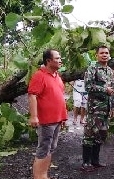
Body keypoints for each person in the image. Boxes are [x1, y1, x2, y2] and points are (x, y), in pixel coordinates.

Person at [28, 49, 68, 179]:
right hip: (46, 120)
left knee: (51, 148)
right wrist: (34, 116)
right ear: (48, 60)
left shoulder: (57, 76)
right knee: (44, 148)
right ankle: (39, 176)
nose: (60, 60)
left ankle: (44, 174)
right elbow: (32, 95)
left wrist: (63, 116)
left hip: (56, 120)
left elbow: (59, 97)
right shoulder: (40, 75)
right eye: (57, 58)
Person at [81, 45, 114, 171]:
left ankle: (95, 161)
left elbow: (112, 91)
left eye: (106, 53)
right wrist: (103, 89)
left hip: (105, 109)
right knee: (90, 134)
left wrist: (113, 106)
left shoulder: (111, 71)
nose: (104, 55)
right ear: (97, 55)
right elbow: (88, 86)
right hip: (95, 109)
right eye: (102, 53)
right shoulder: (92, 68)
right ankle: (86, 163)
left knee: (101, 135)